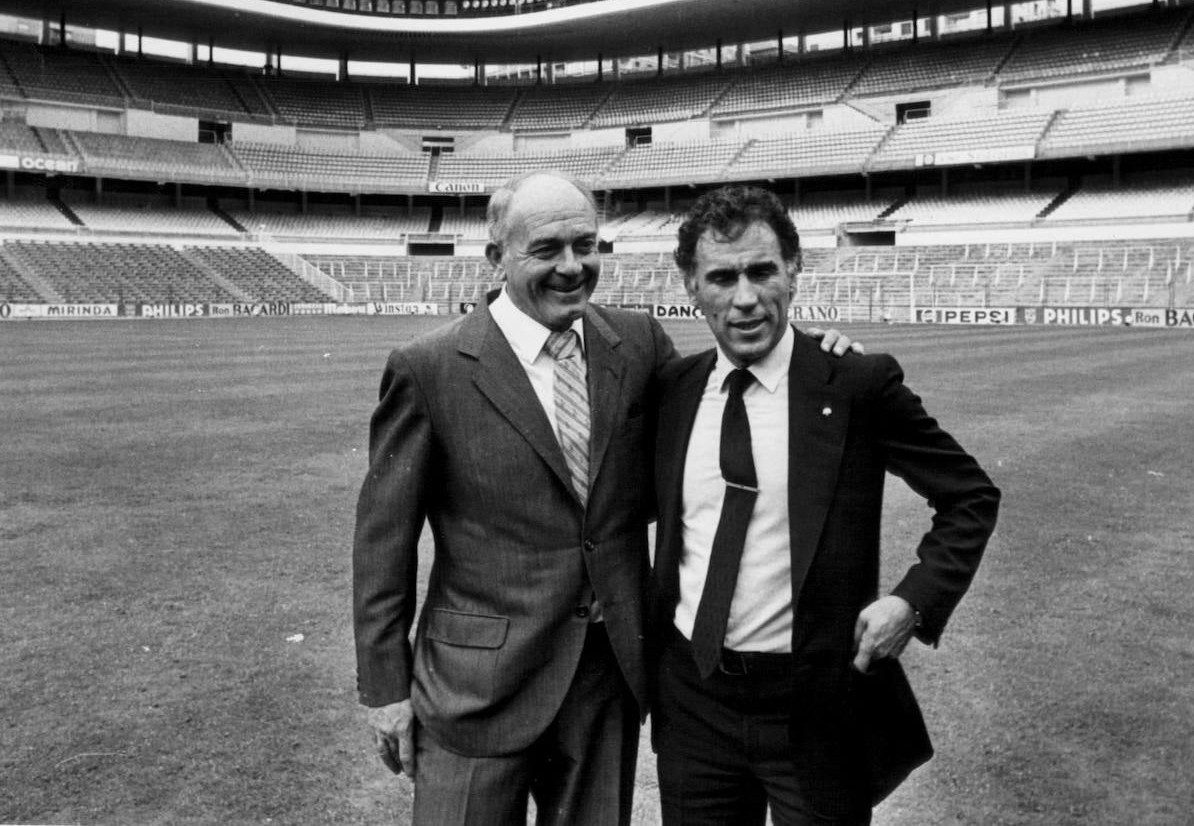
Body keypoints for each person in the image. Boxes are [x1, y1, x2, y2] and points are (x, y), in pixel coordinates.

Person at [352, 171, 856, 826]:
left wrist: (813, 357)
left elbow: (713, 411)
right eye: (546, 249)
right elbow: (383, 542)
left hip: (603, 679)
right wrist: (386, 690)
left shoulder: (638, 342)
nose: (572, 266)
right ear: (497, 256)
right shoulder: (430, 366)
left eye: (585, 245)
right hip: (473, 688)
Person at [650, 185, 1000, 826]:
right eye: (722, 277)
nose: (745, 297)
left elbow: (969, 495)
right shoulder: (674, 388)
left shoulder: (855, 384)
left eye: (762, 271)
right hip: (694, 703)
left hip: (814, 706)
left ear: (794, 269)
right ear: (691, 286)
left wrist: (912, 601)